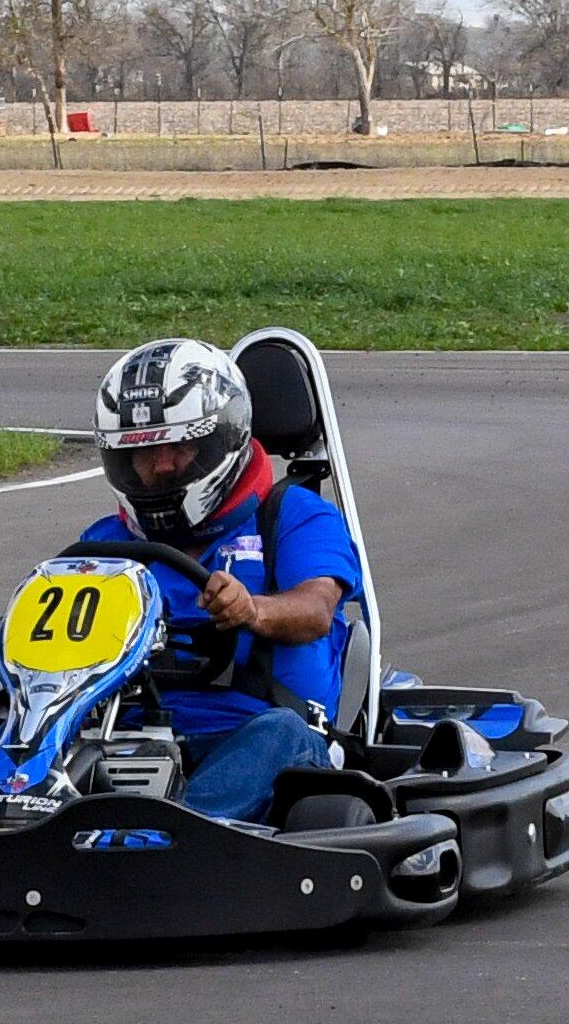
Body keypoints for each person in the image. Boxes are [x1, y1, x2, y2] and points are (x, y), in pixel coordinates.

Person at [82, 337, 364, 823]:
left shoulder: (292, 517)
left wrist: (253, 610)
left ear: (222, 440)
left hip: (252, 731)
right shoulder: (105, 542)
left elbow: (316, 610)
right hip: (120, 736)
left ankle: (176, 835)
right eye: (143, 454)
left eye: (180, 446)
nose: (162, 465)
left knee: (281, 734)